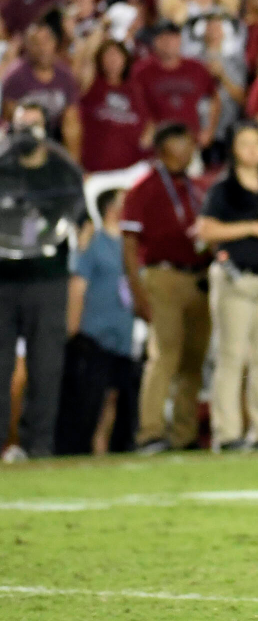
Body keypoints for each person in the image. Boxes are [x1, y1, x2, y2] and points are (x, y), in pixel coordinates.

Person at [198, 121, 258, 450]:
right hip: (236, 278)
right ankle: (227, 432)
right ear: (233, 150)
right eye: (245, 143)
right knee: (231, 356)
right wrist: (253, 228)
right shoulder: (223, 189)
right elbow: (206, 230)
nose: (253, 150)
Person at [0, 103, 85, 461]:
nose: (26, 134)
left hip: (48, 279)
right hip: (3, 280)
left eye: (33, 125)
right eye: (21, 125)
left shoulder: (63, 173)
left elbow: (80, 220)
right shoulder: (2, 167)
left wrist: (82, 231)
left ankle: (39, 445)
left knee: (46, 366)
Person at [120, 122, 211, 453]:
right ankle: (151, 431)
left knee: (193, 359)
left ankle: (185, 433)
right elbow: (129, 245)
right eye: (181, 144)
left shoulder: (196, 186)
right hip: (163, 276)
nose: (188, 151)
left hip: (199, 277)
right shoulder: (143, 188)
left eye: (190, 144)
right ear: (162, 149)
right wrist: (137, 290)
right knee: (164, 354)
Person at [57, 188, 139, 455]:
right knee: (91, 398)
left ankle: (103, 450)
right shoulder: (94, 242)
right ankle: (84, 449)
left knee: (114, 396)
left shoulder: (131, 245)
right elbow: (77, 285)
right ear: (111, 209)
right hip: (94, 333)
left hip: (123, 334)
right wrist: (73, 331)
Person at [130, 20, 220, 150]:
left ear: (180, 40)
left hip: (190, 142)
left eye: (173, 38)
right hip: (156, 143)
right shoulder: (141, 71)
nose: (169, 43)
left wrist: (209, 131)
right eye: (164, 38)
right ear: (155, 41)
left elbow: (214, 98)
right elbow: (131, 102)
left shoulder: (196, 68)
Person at [2, 17, 83, 161]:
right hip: (22, 139)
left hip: (54, 138)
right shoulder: (15, 76)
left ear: (54, 43)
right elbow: (10, 118)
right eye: (36, 43)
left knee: (71, 126)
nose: (42, 48)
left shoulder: (65, 76)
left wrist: (72, 163)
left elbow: (71, 120)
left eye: (46, 41)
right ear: (27, 46)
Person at [77, 39, 151, 174]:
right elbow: (84, 60)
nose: (113, 60)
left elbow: (148, 122)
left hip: (131, 169)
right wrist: (99, 31)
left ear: (125, 59)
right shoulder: (91, 84)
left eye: (117, 55)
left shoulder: (135, 89)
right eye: (108, 55)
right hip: (96, 169)